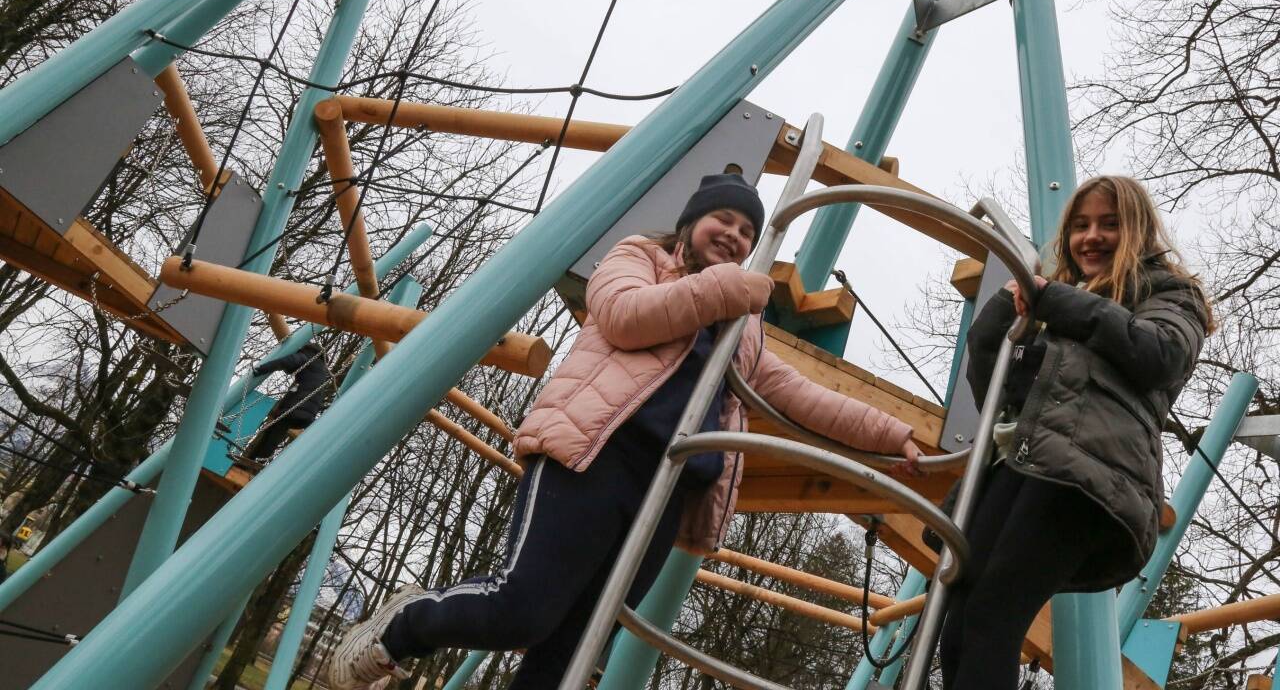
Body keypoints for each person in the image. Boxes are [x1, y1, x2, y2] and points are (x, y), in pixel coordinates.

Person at [328, 172, 924, 689]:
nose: (735, 236)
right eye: (724, 219)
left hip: (666, 491)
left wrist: (889, 433)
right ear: (690, 224)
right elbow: (621, 316)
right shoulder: (639, 258)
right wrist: (720, 292)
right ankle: (405, 627)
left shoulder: (742, 331)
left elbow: (800, 395)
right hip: (594, 457)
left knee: (573, 650)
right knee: (522, 610)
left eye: (747, 232)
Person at [939, 176, 1213, 690]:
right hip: (1023, 461)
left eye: (1110, 224)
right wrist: (1004, 306)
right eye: (1081, 226)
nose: (1092, 237)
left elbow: (1159, 354)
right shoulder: (1054, 308)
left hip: (1084, 473)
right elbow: (995, 390)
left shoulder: (1170, 293)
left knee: (995, 610)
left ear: (1137, 231)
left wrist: (1055, 300)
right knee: (961, 617)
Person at [241, 342, 333, 463]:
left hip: (297, 408)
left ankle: (253, 460)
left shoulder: (307, 355)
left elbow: (286, 362)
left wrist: (261, 368)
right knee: (277, 432)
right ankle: (257, 460)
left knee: (272, 434)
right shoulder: (322, 368)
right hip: (308, 414)